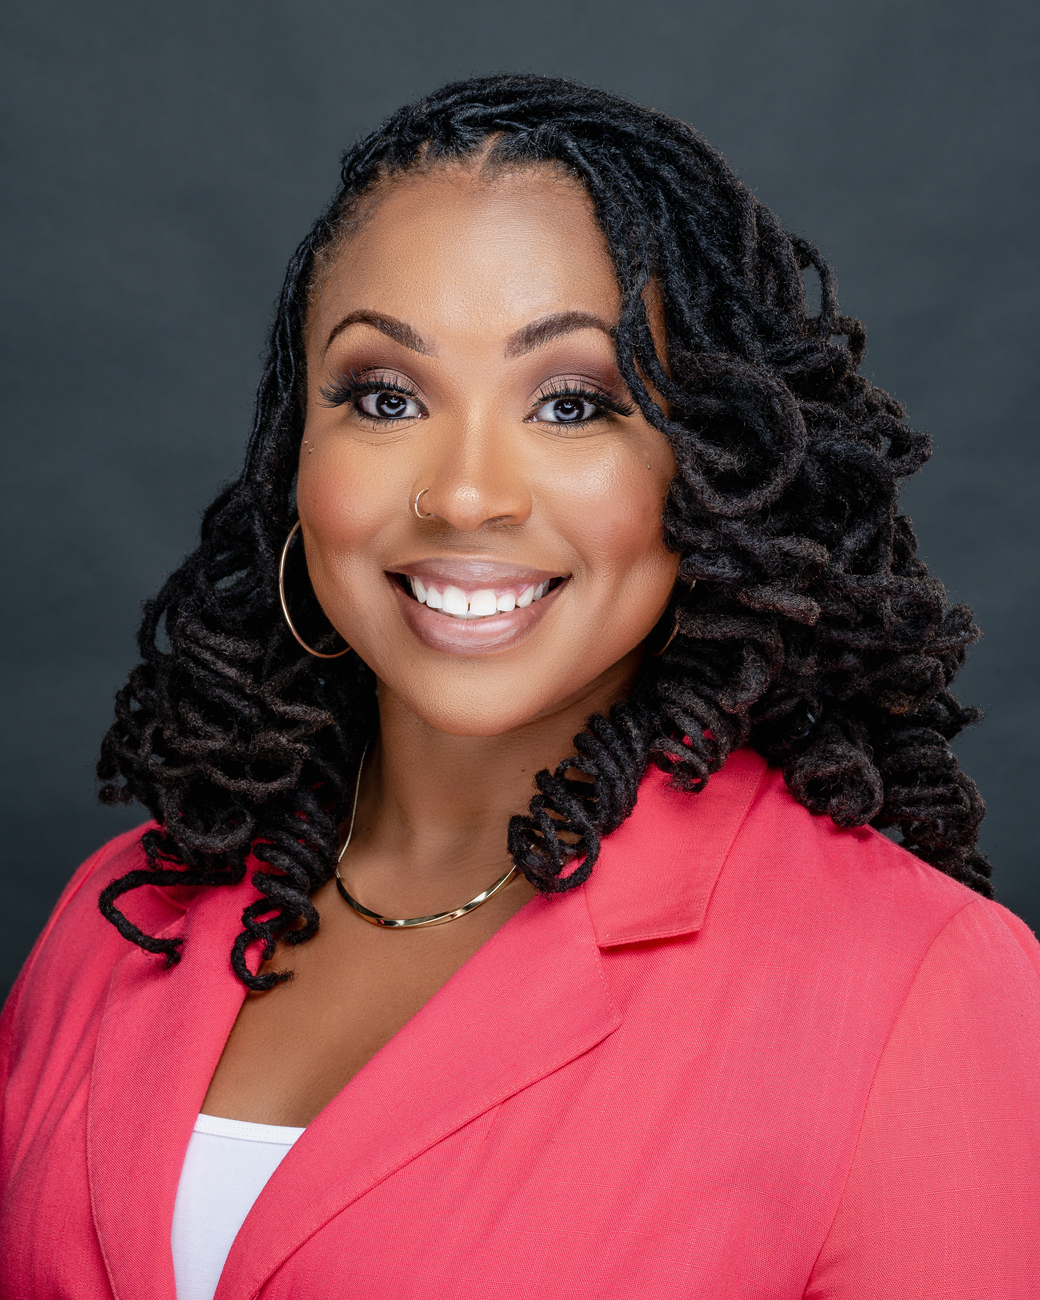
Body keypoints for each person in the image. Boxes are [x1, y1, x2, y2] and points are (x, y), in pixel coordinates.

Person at [1, 73, 1038, 1300]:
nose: (464, 493)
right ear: (295, 455)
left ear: (707, 469)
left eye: (571, 403)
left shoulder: (920, 984)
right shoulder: (120, 916)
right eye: (385, 397)